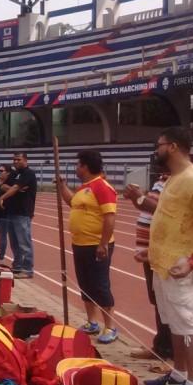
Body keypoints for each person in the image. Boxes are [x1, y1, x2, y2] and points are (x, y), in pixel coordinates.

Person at [141, 127, 193, 385]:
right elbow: (168, 218)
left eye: (158, 145)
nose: (156, 150)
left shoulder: (191, 179)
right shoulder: (174, 179)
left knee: (188, 328)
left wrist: (191, 262)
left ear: (172, 147)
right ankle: (178, 374)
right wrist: (149, 251)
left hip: (180, 266)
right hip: (162, 264)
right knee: (174, 325)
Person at [57, 150, 118, 344]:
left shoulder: (102, 187)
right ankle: (92, 322)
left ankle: (110, 326)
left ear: (85, 166)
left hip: (97, 245)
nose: (76, 168)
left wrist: (103, 244)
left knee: (100, 284)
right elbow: (71, 202)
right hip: (80, 243)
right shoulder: (85, 188)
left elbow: (109, 217)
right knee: (85, 283)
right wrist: (62, 186)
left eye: (78, 165)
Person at [123, 173, 173, 363]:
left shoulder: (180, 180)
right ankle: (162, 347)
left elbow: (169, 212)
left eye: (161, 144)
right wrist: (138, 199)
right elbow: (148, 210)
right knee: (158, 302)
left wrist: (141, 197)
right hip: (152, 251)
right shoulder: (163, 179)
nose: (156, 150)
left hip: (166, 252)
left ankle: (172, 357)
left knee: (171, 305)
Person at [0, 152, 37, 279]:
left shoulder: (28, 173)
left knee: (24, 242)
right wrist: (14, 188)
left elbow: (13, 188)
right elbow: (3, 185)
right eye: (14, 159)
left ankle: (28, 269)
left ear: (25, 160)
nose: (15, 162)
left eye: (18, 159)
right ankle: (18, 265)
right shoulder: (15, 174)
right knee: (14, 242)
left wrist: (4, 196)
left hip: (23, 212)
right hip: (11, 211)